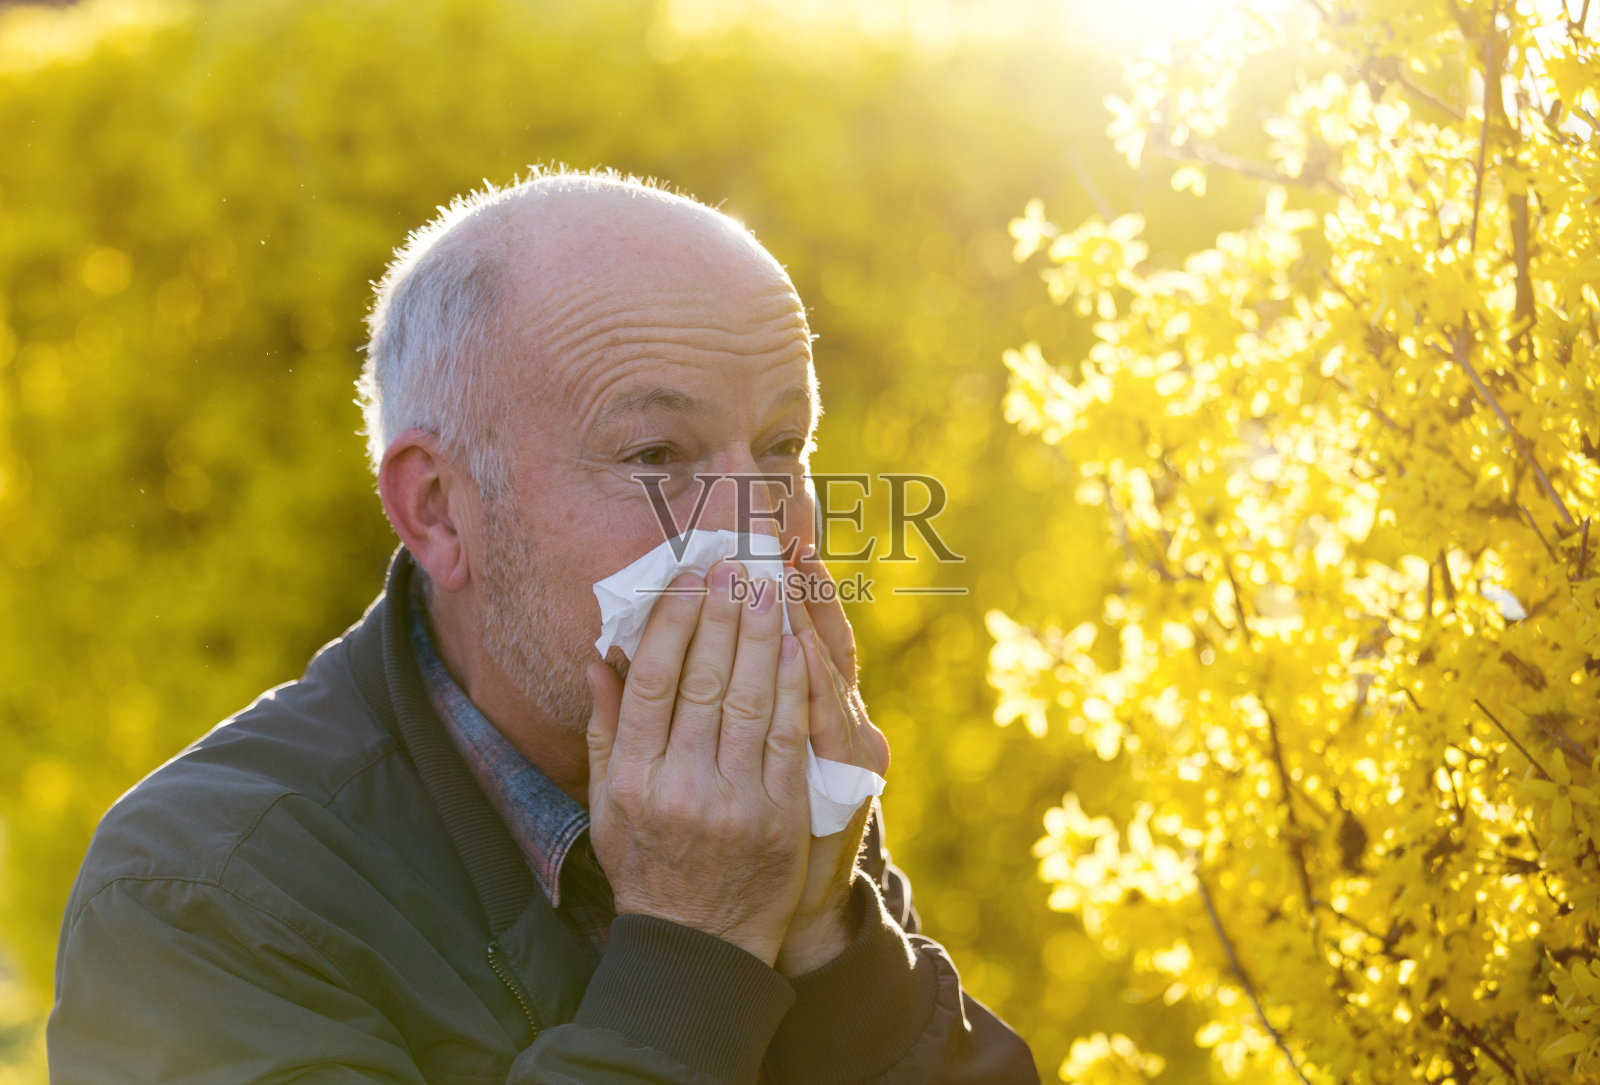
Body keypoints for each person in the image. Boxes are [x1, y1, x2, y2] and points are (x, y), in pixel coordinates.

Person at [47, 170, 1039, 1084]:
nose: (758, 526)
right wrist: (695, 949)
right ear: (438, 509)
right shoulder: (197, 898)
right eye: (656, 453)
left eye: (782, 445)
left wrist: (830, 946)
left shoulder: (744, 784)